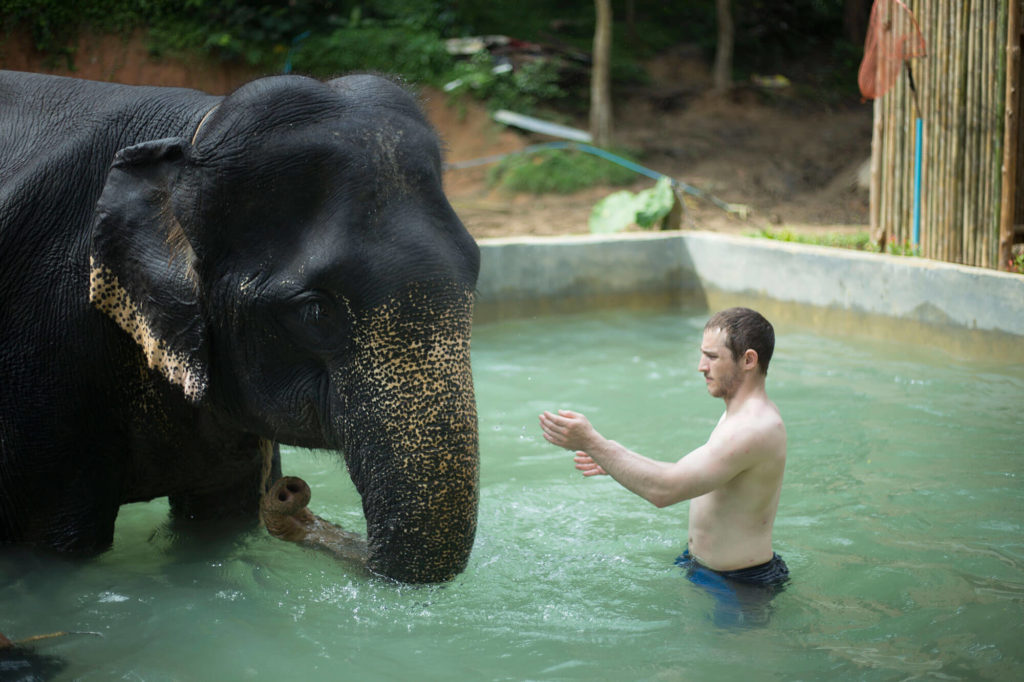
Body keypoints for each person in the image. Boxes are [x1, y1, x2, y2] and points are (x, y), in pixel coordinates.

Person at [538, 307, 788, 626]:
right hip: (707, 568)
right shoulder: (739, 416)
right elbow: (693, 475)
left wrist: (594, 443)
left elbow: (665, 490)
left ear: (748, 360)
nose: (701, 367)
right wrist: (613, 461)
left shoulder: (754, 428)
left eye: (712, 357)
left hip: (741, 585)